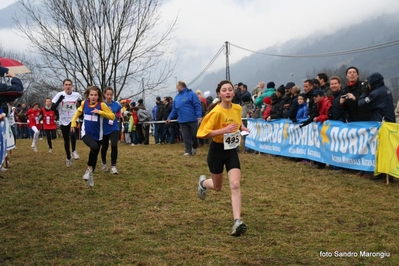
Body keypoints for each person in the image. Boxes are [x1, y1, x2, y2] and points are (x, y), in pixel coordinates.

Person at [196, 79, 250, 236]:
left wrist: (242, 128)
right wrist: (223, 130)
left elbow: (237, 123)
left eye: (230, 89)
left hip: (231, 150)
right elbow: (203, 133)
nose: (228, 92)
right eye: (224, 90)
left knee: (235, 184)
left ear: (233, 92)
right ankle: (203, 183)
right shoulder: (215, 112)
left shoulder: (238, 108)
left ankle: (237, 221)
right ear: (219, 94)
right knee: (218, 186)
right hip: (217, 151)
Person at [71, 86, 115, 187]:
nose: (93, 97)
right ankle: (88, 170)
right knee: (94, 147)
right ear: (88, 95)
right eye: (91, 95)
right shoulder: (84, 103)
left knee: (94, 154)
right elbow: (77, 113)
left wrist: (100, 112)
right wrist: (73, 122)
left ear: (99, 96)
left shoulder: (102, 105)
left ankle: (90, 174)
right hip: (86, 133)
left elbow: (112, 116)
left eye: (95, 95)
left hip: (98, 135)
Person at [166, 81, 202, 156]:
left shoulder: (191, 94)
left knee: (194, 136)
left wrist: (199, 116)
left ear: (181, 86)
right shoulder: (177, 97)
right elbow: (174, 110)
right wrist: (169, 118)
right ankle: (188, 151)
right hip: (182, 120)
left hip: (192, 119)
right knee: (185, 137)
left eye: (177, 86)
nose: (176, 88)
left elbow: (197, 105)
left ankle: (195, 146)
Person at [52, 79, 82, 166]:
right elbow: (52, 108)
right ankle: (68, 157)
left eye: (69, 85)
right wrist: (59, 100)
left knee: (72, 135)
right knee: (66, 139)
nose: (68, 86)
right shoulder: (59, 95)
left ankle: (74, 150)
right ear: (63, 86)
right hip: (63, 119)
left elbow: (81, 105)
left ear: (72, 86)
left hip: (73, 118)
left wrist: (80, 116)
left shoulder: (76, 95)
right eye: (66, 85)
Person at [100, 87, 122, 174]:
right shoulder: (101, 104)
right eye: (107, 94)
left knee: (114, 145)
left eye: (111, 94)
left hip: (114, 127)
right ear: (104, 95)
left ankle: (113, 167)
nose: (109, 96)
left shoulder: (116, 104)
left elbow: (119, 110)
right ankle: (104, 162)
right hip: (104, 128)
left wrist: (119, 116)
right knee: (104, 147)